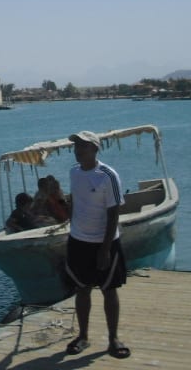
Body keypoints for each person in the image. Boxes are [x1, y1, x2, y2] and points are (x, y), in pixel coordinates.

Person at [63, 131, 131, 359]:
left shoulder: (107, 175)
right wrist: (71, 232)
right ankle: (83, 335)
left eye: (83, 146)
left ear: (94, 149)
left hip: (104, 243)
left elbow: (114, 214)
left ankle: (113, 338)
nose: (78, 150)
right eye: (76, 146)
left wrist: (104, 250)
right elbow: (75, 202)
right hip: (78, 241)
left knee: (109, 291)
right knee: (81, 289)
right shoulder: (74, 172)